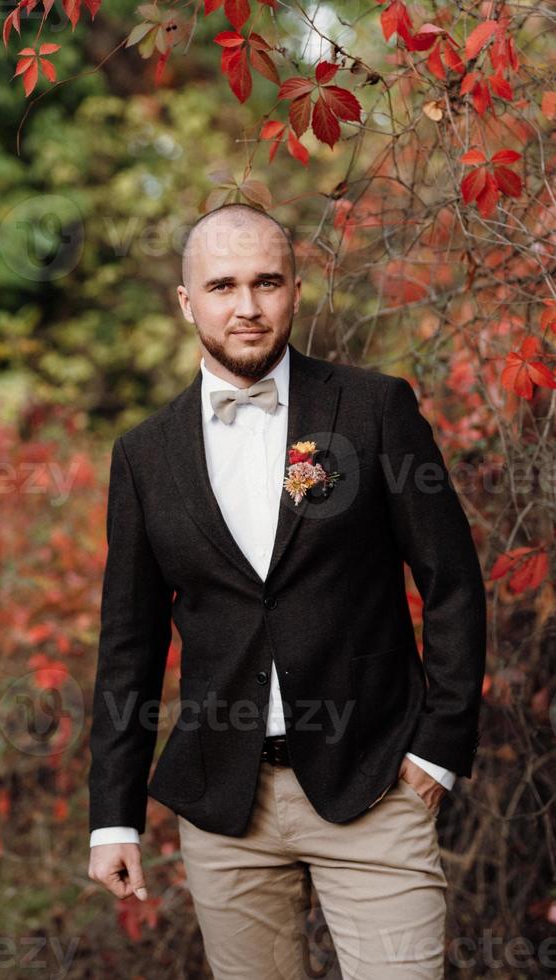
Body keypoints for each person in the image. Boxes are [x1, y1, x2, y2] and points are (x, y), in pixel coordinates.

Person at [87, 203, 487, 979]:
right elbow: (128, 645)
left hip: (373, 786)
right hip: (223, 804)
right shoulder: (143, 455)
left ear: (297, 289)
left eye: (267, 282)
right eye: (223, 285)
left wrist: (437, 750)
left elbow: (453, 582)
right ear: (186, 301)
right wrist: (114, 817)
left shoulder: (372, 409)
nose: (247, 307)